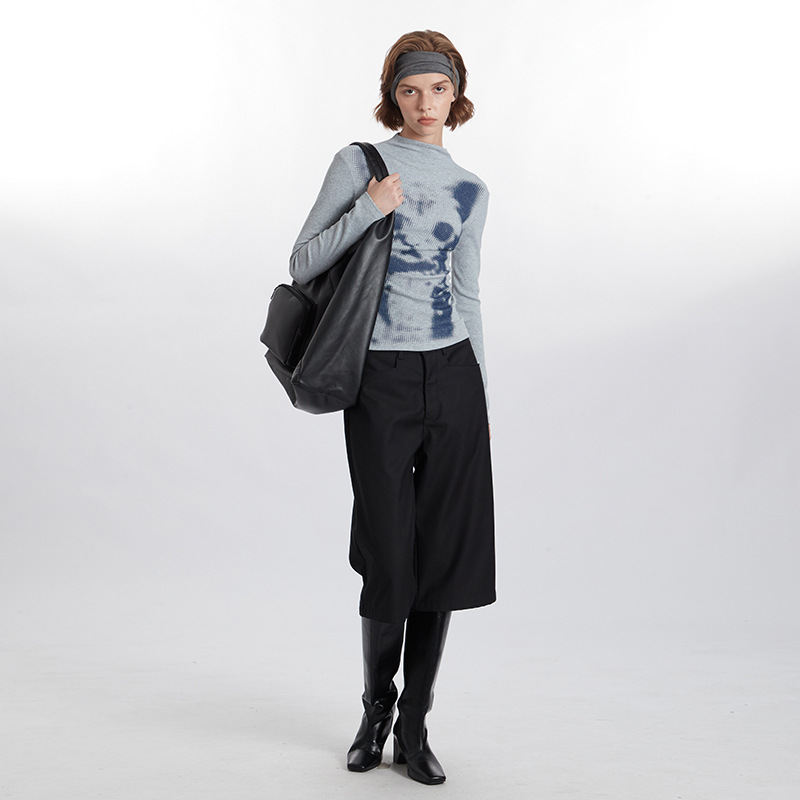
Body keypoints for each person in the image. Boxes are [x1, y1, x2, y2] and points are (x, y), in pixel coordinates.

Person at [288, 29, 495, 785]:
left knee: (444, 554)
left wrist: (480, 390)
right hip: (380, 377)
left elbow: (468, 293)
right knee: (388, 552)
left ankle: (414, 726)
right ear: (393, 95)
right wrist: (369, 211)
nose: (423, 104)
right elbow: (302, 261)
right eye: (410, 90)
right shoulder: (361, 165)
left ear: (455, 95)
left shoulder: (471, 189)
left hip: (454, 376)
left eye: (437, 89)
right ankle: (374, 711)